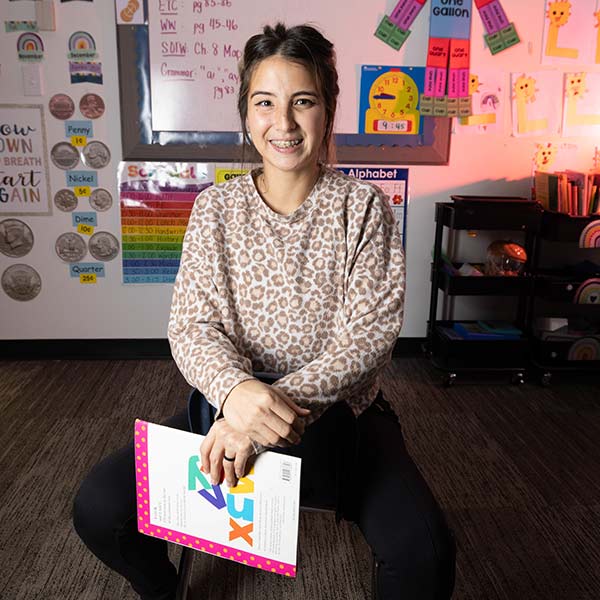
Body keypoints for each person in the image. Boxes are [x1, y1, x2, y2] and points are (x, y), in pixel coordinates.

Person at [73, 22, 455, 600]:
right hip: (227, 408)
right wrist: (235, 397)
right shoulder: (215, 208)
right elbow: (192, 326)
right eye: (265, 103)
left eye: (303, 101)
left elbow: (369, 337)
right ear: (246, 114)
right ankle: (161, 587)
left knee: (425, 554)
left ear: (327, 109)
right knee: (99, 508)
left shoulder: (363, 206)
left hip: (337, 415)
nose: (284, 122)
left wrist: (260, 420)